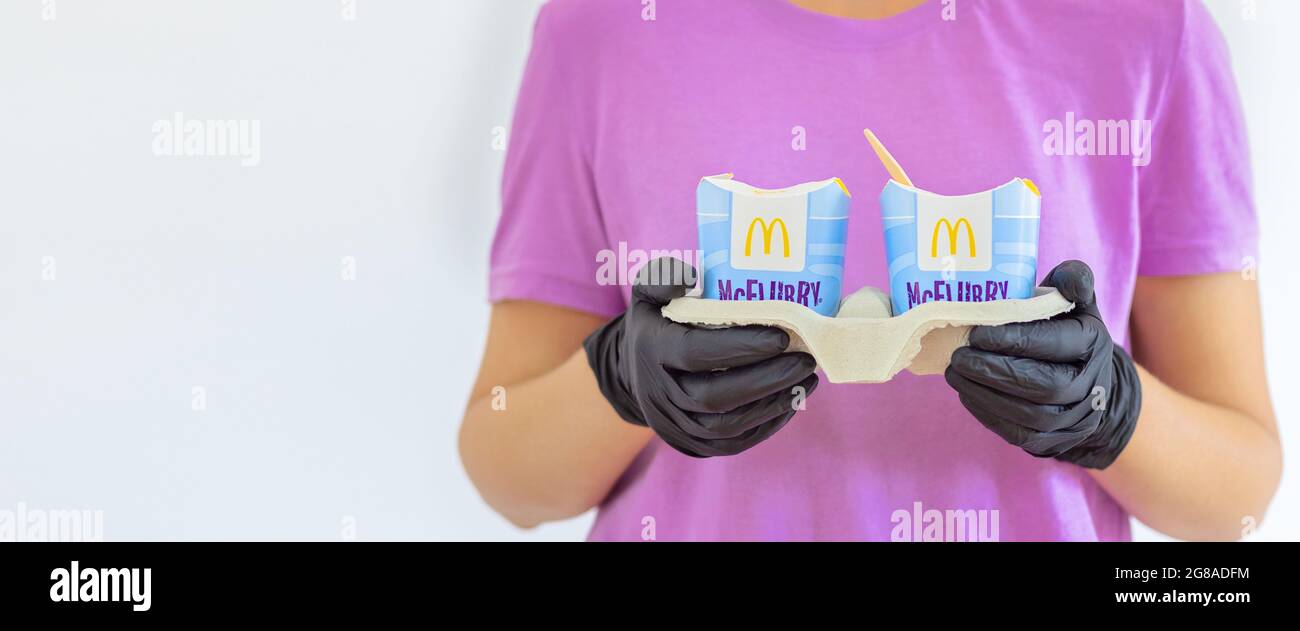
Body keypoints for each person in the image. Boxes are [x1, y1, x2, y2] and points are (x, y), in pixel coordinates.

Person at [459, 0, 1281, 541]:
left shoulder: (1142, 27)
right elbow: (507, 466)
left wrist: (1112, 409)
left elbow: (1238, 492)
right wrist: (620, 381)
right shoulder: (602, 30)